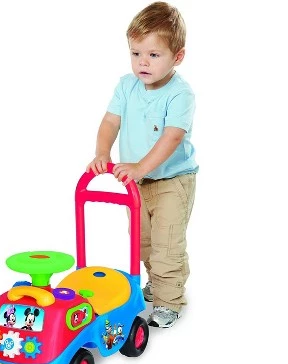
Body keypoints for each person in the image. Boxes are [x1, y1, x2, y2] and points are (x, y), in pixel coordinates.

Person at [86, 1, 198, 328]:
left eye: (153, 54)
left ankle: (169, 300)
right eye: (136, 53)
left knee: (167, 243)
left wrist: (139, 167)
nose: (142, 62)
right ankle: (156, 282)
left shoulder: (180, 94)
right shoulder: (126, 85)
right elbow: (110, 121)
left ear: (177, 56)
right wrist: (102, 152)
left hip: (172, 182)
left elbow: (172, 137)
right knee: (142, 241)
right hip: (135, 183)